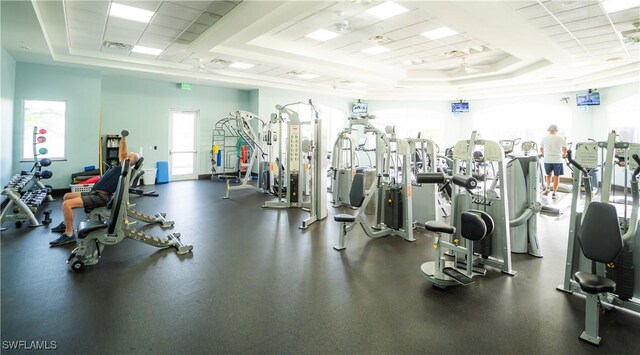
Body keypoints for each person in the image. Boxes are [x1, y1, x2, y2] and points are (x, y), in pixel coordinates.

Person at [49, 134, 138, 246]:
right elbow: (122, 153)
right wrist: (123, 140)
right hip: (94, 192)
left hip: (101, 197)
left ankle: (69, 234)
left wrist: (123, 139)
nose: (124, 158)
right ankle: (65, 224)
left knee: (67, 204)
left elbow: (122, 153)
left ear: (131, 162)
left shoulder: (126, 169)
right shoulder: (122, 168)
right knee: (67, 196)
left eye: (128, 157)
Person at [540, 124, 567, 199]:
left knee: (548, 175)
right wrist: (564, 155)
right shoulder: (561, 138)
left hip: (547, 159)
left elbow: (541, 149)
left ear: (548, 130)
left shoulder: (544, 138)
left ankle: (548, 188)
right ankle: (554, 193)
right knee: (556, 176)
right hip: (557, 160)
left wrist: (544, 155)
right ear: (556, 130)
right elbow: (565, 149)